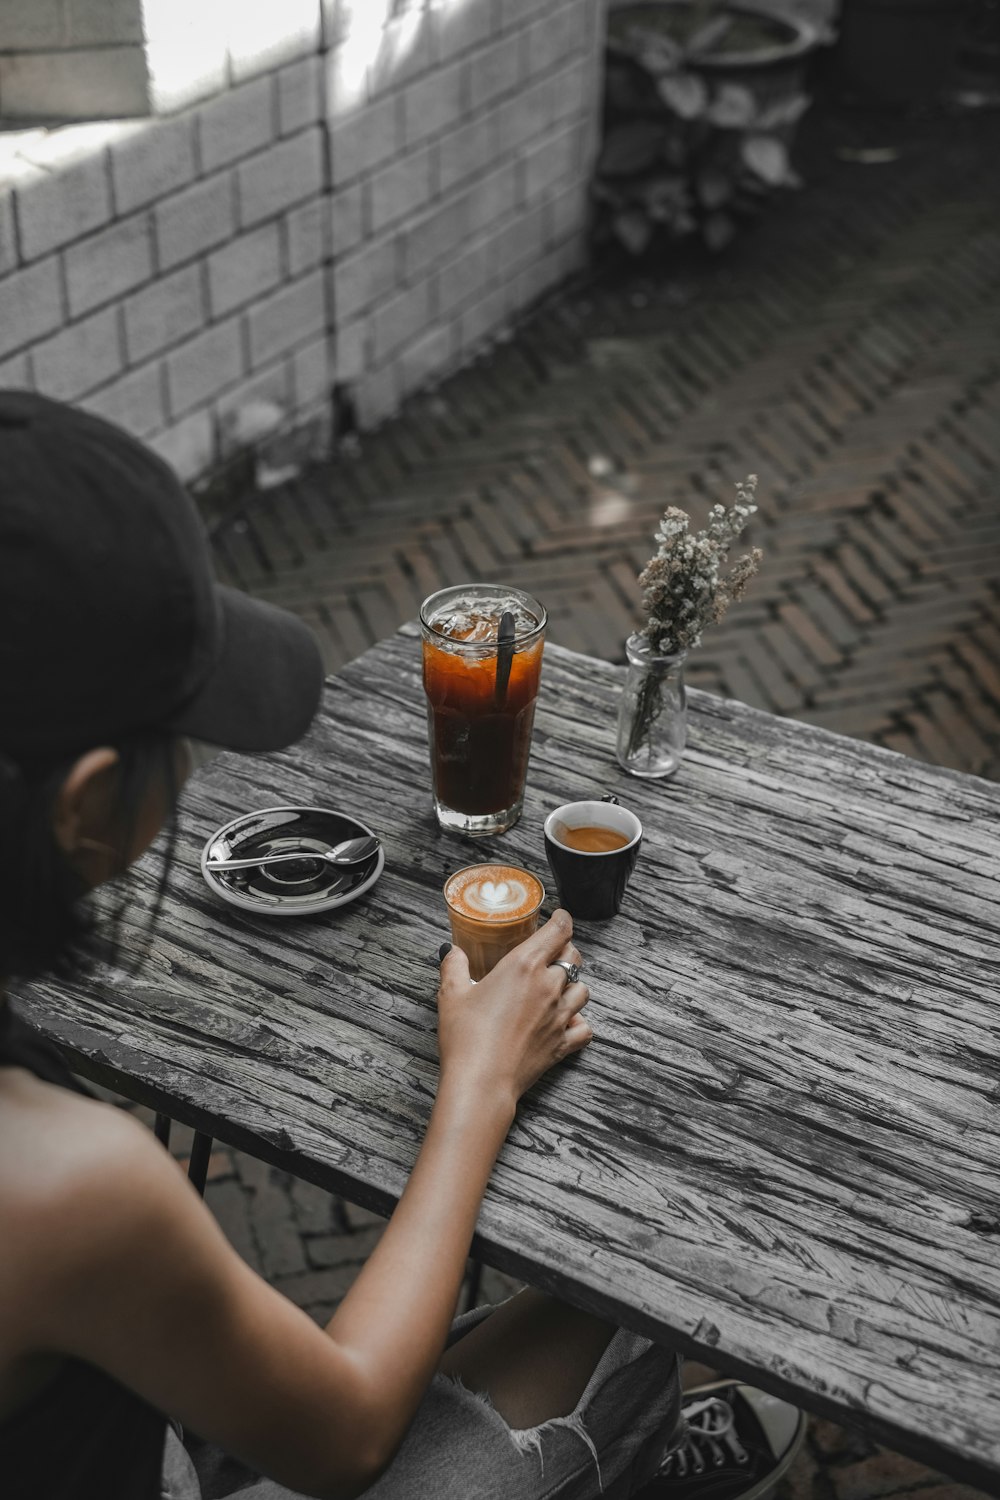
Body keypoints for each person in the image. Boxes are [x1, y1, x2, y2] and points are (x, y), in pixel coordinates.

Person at [0, 392, 801, 1500]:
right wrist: (475, 1083)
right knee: (612, 1328)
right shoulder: (65, 1185)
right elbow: (345, 1437)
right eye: (177, 739)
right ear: (85, 804)